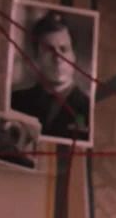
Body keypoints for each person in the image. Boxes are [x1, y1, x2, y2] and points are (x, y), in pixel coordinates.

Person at [10, 9, 92, 142]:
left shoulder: (89, 109)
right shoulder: (16, 102)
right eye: (49, 50)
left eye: (64, 49)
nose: (58, 58)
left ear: (74, 56)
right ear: (36, 57)